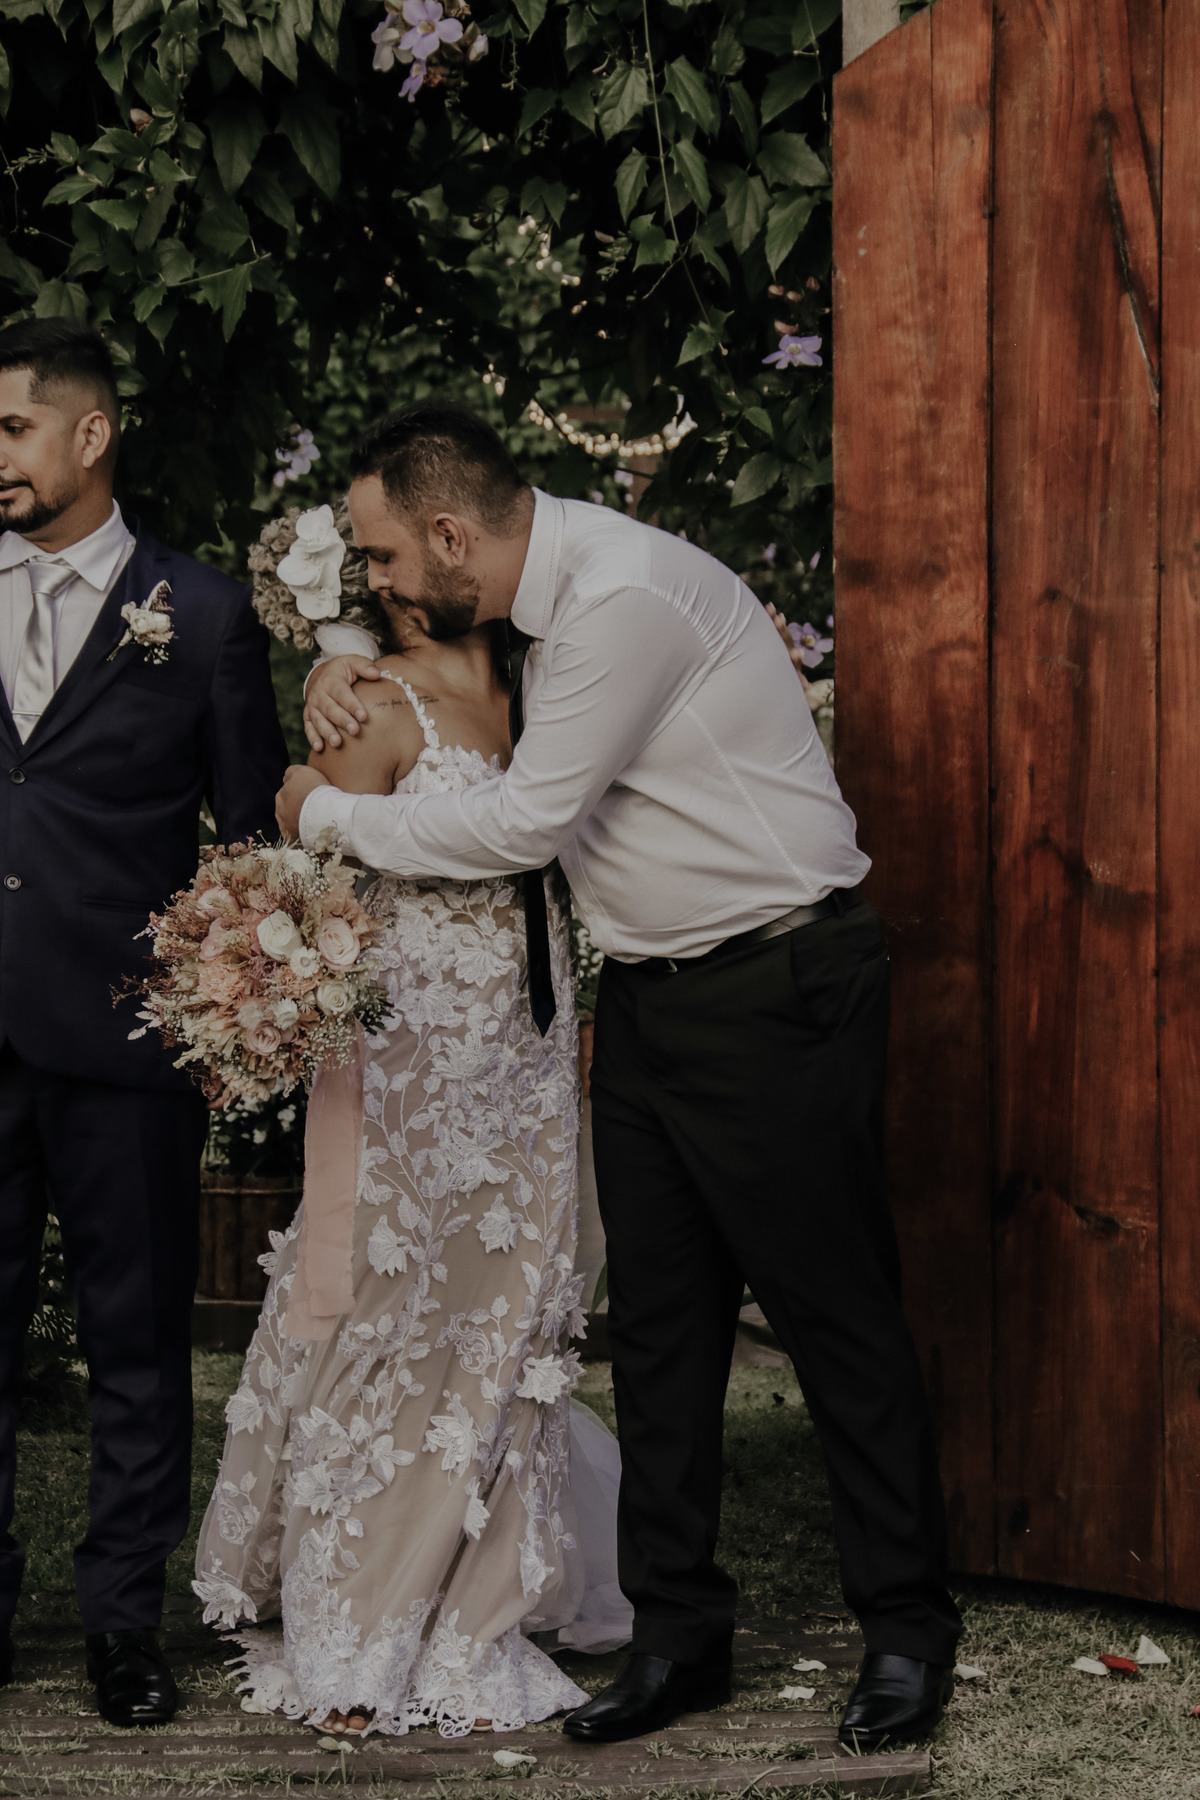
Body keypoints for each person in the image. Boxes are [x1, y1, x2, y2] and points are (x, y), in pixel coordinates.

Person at [279, 401, 963, 1754]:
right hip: (651, 998)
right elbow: (428, 674)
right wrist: (339, 661)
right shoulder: (525, 596)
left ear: (452, 536)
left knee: (833, 1317)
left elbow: (529, 821)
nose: (378, 580)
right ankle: (678, 1638)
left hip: (774, 982)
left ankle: (905, 1630)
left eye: (387, 556)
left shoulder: (619, 600)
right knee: (658, 1331)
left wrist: (328, 812)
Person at [194, 599, 633, 1737]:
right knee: (386, 1311)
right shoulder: (372, 707)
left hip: (529, 1060)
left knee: (511, 1326)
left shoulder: (554, 694)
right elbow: (304, 902)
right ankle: (355, 1614)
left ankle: (475, 1609)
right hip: (406, 1073)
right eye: (373, 560)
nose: (388, 577)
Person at [0, 320, 286, 1726]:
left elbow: (251, 847)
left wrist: (225, 1017)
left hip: (127, 1044)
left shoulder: (206, 614)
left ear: (91, 434)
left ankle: (124, 1624)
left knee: (137, 1346)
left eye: (11, 430)